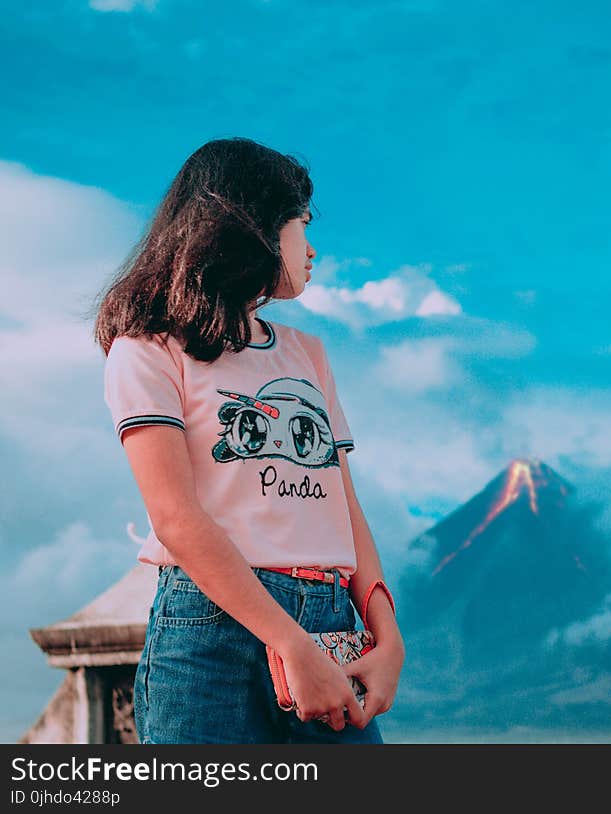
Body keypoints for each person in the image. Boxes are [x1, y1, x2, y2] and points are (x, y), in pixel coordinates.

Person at [91, 137, 404, 744]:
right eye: (301, 226)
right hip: (209, 639)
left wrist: (387, 634)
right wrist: (289, 641)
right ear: (251, 227)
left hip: (333, 622)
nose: (312, 249)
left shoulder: (307, 353)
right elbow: (176, 518)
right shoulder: (147, 350)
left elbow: (344, 508)